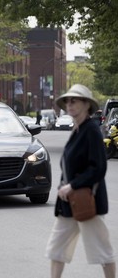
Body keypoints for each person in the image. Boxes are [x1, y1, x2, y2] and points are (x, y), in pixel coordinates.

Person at [45, 84, 116, 278]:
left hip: (86, 202)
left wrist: (72, 185)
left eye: (74, 100)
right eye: (67, 101)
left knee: (102, 251)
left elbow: (98, 167)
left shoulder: (91, 130)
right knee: (56, 248)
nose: (69, 104)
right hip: (69, 203)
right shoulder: (77, 130)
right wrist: (64, 188)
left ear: (86, 105)